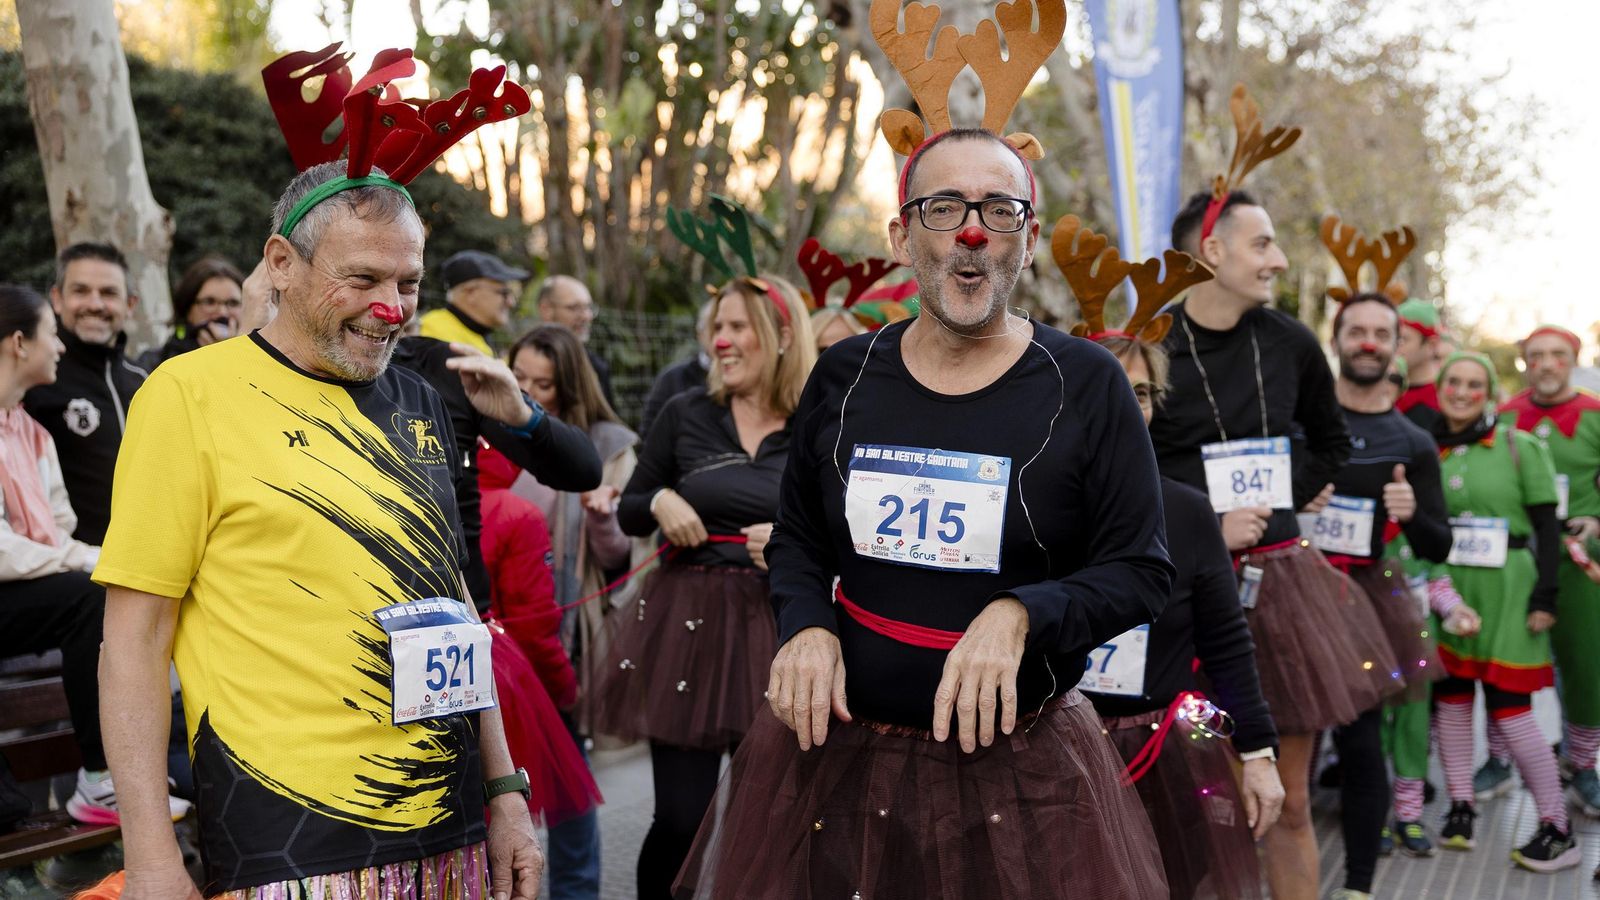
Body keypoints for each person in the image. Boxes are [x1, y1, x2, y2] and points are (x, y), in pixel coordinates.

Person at [672, 116, 1180, 898]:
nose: (972, 234)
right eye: (945, 208)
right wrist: (804, 626)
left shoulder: (1087, 382)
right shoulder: (844, 375)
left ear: (1028, 236)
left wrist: (1022, 613)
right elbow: (801, 540)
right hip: (837, 764)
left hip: (1017, 774)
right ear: (904, 233)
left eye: (998, 210)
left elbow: (1142, 570)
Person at [94, 159, 544, 898]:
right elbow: (135, 641)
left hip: (454, 831)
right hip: (291, 845)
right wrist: (149, 857)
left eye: (408, 285)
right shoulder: (187, 395)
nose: (391, 308)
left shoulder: (420, 401)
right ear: (280, 264)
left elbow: (454, 608)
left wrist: (503, 791)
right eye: (362, 280)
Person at [1150, 191, 1402, 900]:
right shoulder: (1152, 342)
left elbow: (1329, 443)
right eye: (1262, 244)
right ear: (1212, 251)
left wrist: (1284, 498)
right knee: (1202, 804)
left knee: (1287, 801)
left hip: (1282, 595)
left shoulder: (1290, 341)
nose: (1280, 259)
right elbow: (1126, 470)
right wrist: (1205, 524)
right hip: (1180, 596)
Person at [1066, 248, 1282, 897]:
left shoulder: (1188, 515)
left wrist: (1259, 754)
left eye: (1140, 393)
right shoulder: (1028, 505)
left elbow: (1226, 645)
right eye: (1107, 390)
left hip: (1165, 750)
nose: (1127, 409)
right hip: (1051, 754)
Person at [590, 273, 813, 899]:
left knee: (773, 821)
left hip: (782, 630)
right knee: (682, 821)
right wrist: (661, 498)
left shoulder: (819, 422)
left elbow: (850, 526)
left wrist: (796, 542)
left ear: (782, 333)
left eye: (738, 326)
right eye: (717, 327)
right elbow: (631, 504)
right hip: (686, 629)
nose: (721, 340)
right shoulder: (685, 411)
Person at [1, 283, 191, 827]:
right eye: (49, 334)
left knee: (107, 589)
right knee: (88, 593)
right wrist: (86, 562)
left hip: (20, 601)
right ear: (19, 342)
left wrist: (99, 560)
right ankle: (102, 779)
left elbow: (57, 536)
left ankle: (115, 780)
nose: (59, 347)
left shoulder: (33, 434)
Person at [1311, 291, 1456, 872]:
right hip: (1295, 594)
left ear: (1399, 346)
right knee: (1285, 741)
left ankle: (1359, 883)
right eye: (1356, 331)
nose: (1367, 342)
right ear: (1338, 341)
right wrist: (1301, 498)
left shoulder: (1415, 443)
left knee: (1361, 742)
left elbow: (1437, 544)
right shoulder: (1303, 425)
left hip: (1368, 601)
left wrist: (1411, 511)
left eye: (1380, 332)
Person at [1427, 351, 1578, 872]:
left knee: (1511, 712)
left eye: (1474, 384)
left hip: (1512, 590)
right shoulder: (1428, 449)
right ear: (1440, 387)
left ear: (1489, 392)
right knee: (1449, 701)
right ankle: (1461, 805)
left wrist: (1546, 598)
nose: (1462, 392)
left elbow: (1548, 528)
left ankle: (1558, 827)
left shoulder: (1520, 445)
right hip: (1449, 589)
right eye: (1453, 382)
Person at [506, 322, 640, 900]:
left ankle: (578, 891)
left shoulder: (607, 445)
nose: (532, 392)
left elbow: (621, 560)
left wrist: (602, 517)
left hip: (564, 631)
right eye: (520, 379)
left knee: (567, 775)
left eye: (545, 383)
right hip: (500, 629)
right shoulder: (488, 429)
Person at [476, 442, 603, 830]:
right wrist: (566, 690)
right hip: (506, 690)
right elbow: (534, 624)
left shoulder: (426, 495)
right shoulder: (518, 515)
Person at [1500, 325, 1600, 818]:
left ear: (1573, 360)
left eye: (1557, 355)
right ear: (1524, 361)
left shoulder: (1595, 414)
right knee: (1503, 660)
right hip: (1520, 561)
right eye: (1536, 355)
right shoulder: (1503, 417)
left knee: (1585, 667)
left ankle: (1582, 764)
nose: (1546, 364)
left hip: (1580, 559)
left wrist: (1597, 519)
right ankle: (1499, 759)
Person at [21, 242, 148, 546]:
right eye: (80, 291)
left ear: (130, 304)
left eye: (108, 293)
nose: (95, 304)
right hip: (70, 570)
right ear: (57, 298)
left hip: (145, 566)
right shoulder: (35, 381)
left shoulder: (146, 381)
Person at [136, 256, 246, 370]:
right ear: (187, 308)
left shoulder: (256, 361)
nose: (222, 313)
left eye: (233, 303)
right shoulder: (155, 364)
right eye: (209, 302)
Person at [419, 249, 529, 357]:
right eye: (504, 293)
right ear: (470, 293)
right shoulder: (435, 335)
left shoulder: (475, 331)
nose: (511, 302)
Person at [639, 297, 714, 441]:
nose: (723, 336)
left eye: (735, 327)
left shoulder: (748, 379)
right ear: (700, 334)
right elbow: (649, 436)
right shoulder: (672, 379)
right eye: (715, 327)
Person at [537, 276, 614, 405]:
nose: (586, 316)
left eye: (588, 307)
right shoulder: (528, 360)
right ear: (546, 310)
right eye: (574, 308)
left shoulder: (597, 367)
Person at [1395, 298, 1446, 432]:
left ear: (1431, 345)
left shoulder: (1446, 399)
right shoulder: (1386, 392)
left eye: (1402, 340)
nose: (1393, 347)